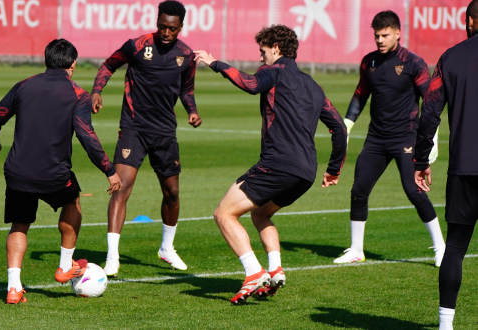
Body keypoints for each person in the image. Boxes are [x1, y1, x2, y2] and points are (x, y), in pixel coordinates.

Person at [194, 24, 347, 304]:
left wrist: (214, 62)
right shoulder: (313, 86)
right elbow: (339, 127)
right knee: (261, 214)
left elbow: (250, 84)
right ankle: (275, 269)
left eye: (262, 51)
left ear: (275, 49)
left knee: (223, 214)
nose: (260, 57)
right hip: (306, 172)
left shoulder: (273, 71)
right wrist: (333, 169)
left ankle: (254, 272)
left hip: (278, 164)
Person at [0, 39, 122, 304]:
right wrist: (109, 169)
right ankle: (65, 266)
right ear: (73, 64)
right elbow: (86, 135)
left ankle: (13, 288)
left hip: (17, 171)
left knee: (19, 224)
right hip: (54, 173)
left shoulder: (24, 85)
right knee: (73, 200)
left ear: (47, 60)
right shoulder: (78, 94)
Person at [91, 0, 201, 277]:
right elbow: (108, 64)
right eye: (162, 26)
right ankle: (112, 257)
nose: (166, 32)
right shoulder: (137, 45)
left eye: (172, 29)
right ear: (157, 23)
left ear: (181, 27)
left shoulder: (186, 55)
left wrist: (192, 111)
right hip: (133, 129)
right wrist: (97, 90)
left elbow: (186, 90)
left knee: (172, 193)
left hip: (165, 132)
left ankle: (166, 248)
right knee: (121, 188)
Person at [333, 10, 445, 266]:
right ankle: (356, 250)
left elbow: (431, 103)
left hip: (406, 137)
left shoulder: (414, 63)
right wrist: (347, 124)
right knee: (359, 189)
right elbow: (361, 94)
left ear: (397, 33)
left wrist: (432, 140)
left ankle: (441, 247)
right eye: (376, 35)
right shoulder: (368, 62)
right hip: (376, 139)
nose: (380, 40)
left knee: (413, 190)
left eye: (385, 35)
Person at [414, 2, 478, 329]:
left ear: (469, 20)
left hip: (465, 169)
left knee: (453, 249)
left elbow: (429, 113)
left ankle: (445, 325)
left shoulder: (450, 57)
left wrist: (422, 159)